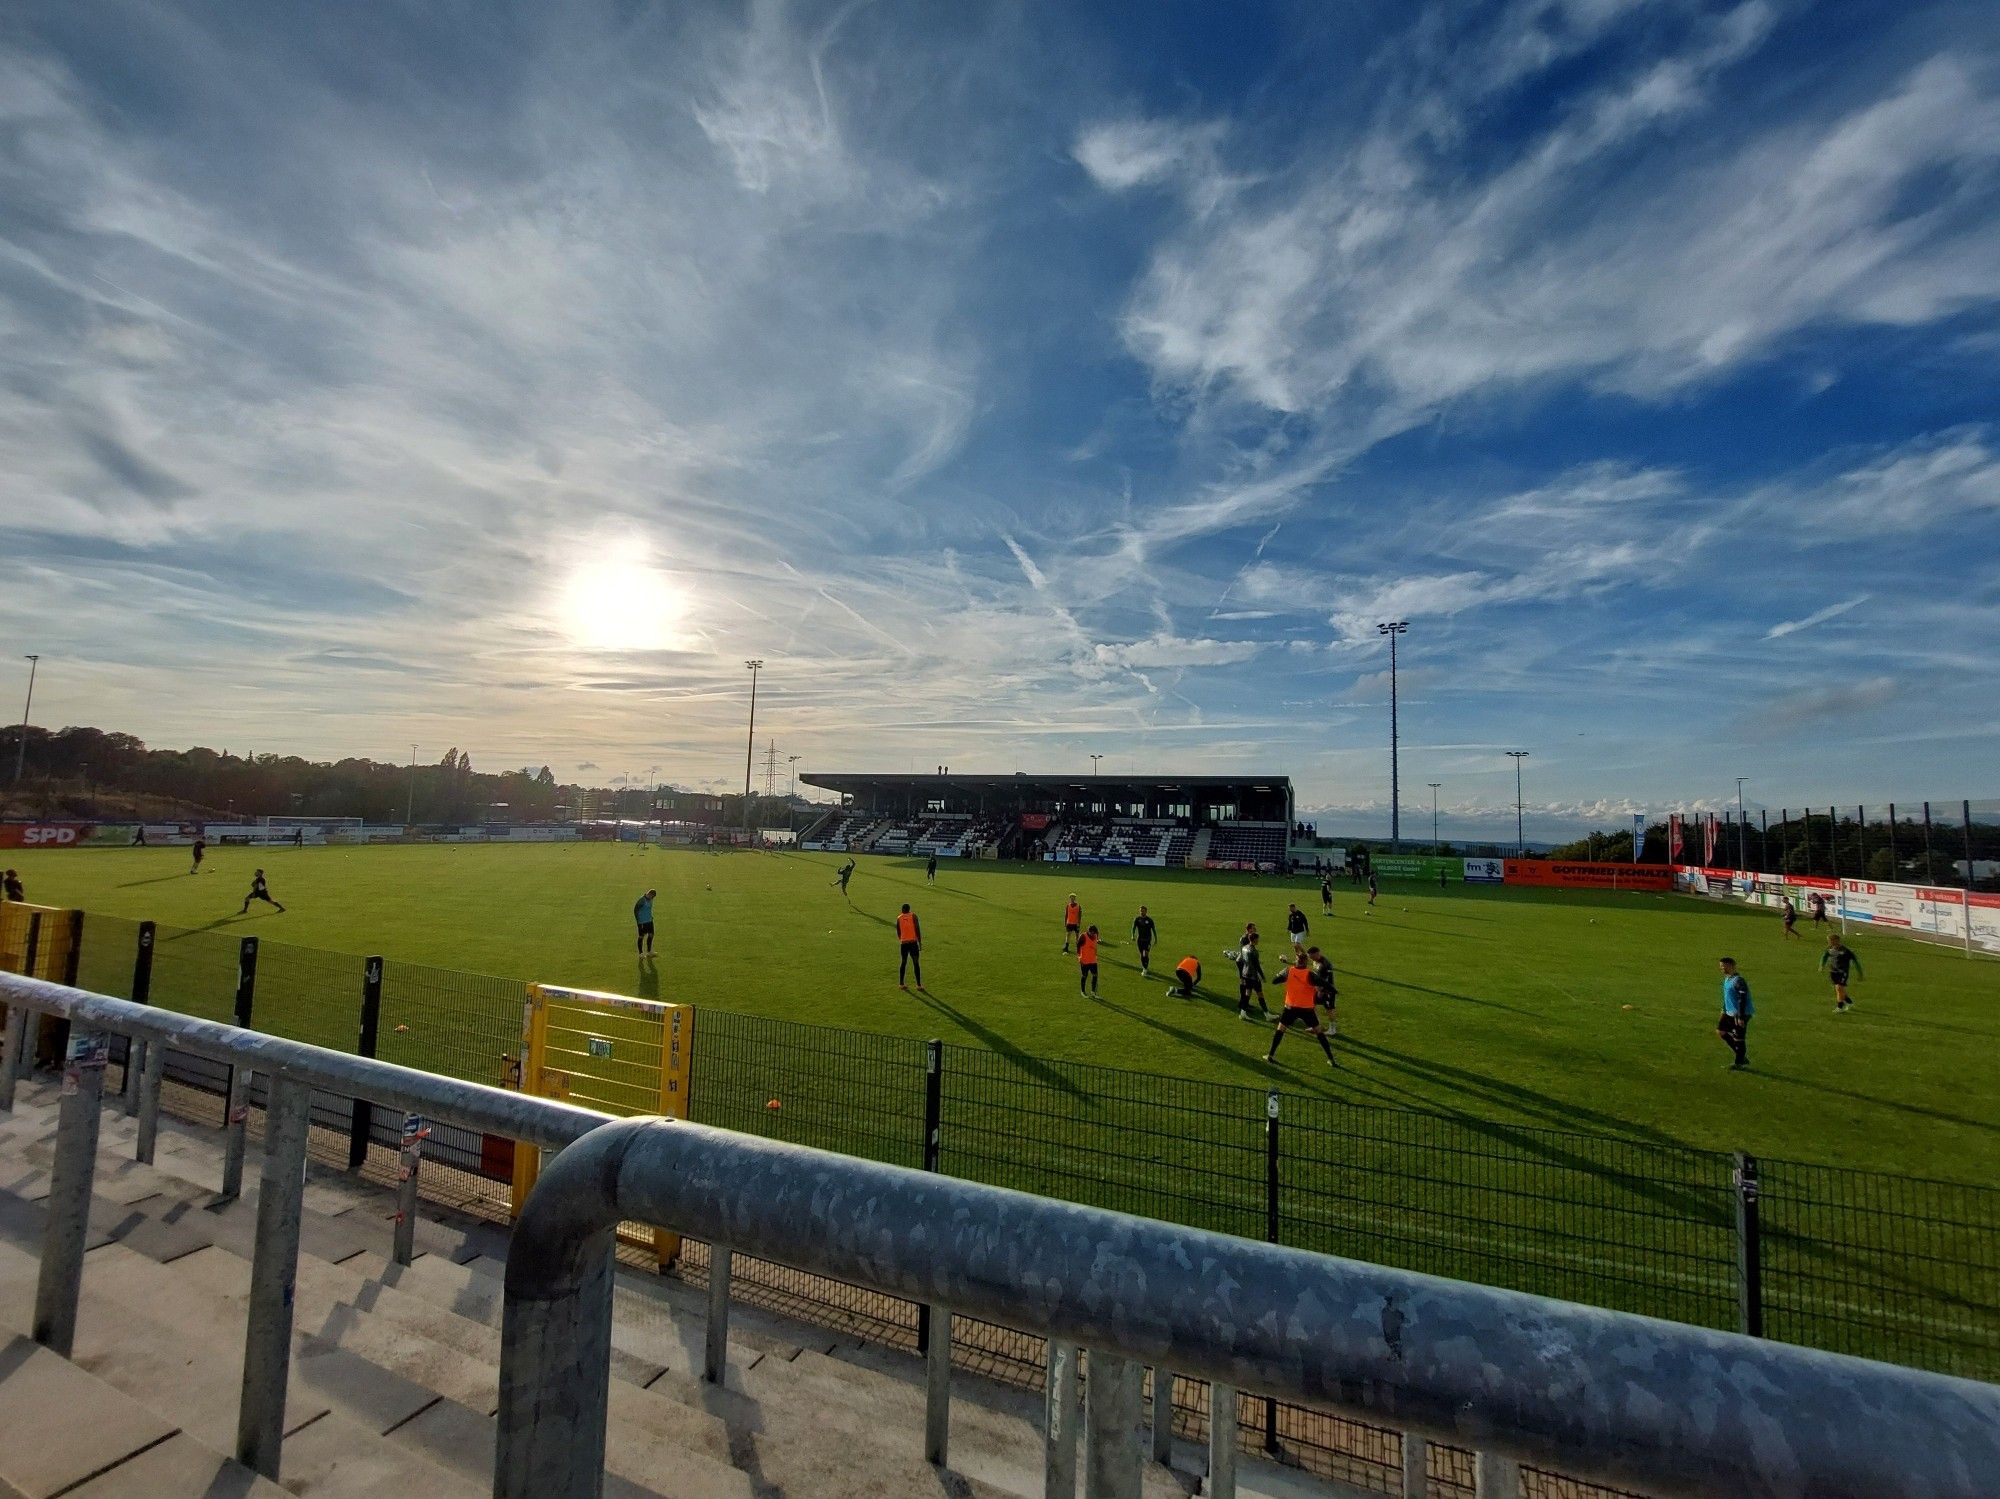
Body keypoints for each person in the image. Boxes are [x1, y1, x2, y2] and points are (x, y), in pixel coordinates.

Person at [1266, 947, 1336, 1067]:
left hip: (1290, 1008)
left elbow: (1274, 981)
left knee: (1280, 1030)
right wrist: (1332, 991)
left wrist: (1281, 974)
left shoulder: (1288, 971)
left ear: (1296, 960)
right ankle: (1331, 1059)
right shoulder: (1310, 974)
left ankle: (1270, 1055)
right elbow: (1326, 985)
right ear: (1306, 962)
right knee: (1320, 1033)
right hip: (1307, 1010)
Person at [1717, 957, 1752, 1069]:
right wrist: (1723, 1009)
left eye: (1723, 966)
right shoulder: (1727, 979)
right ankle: (1741, 1056)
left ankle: (1739, 1063)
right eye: (1720, 966)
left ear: (1731, 965)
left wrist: (1741, 1016)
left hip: (1740, 1014)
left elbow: (1742, 998)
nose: (1721, 968)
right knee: (1721, 1032)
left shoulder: (1738, 981)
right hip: (1729, 1012)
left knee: (1739, 1039)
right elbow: (1727, 997)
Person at [1821, 934, 1864, 1011]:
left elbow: (1855, 961)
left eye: (1831, 941)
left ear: (1837, 940)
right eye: (1829, 941)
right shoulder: (1829, 948)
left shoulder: (1845, 951)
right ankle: (1849, 1002)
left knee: (1839, 988)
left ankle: (1839, 1007)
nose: (1829, 942)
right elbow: (1824, 956)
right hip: (1833, 972)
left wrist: (1860, 973)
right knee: (1840, 989)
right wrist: (1822, 965)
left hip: (1843, 972)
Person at [1234, 932, 1269, 1021]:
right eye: (1257, 939)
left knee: (1247, 993)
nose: (1258, 941)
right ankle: (1267, 1015)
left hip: (1245, 973)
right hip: (1253, 976)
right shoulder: (1254, 951)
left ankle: (1242, 1013)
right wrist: (1262, 976)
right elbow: (1257, 966)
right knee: (1260, 994)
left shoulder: (1244, 948)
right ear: (1254, 939)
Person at [896, 903, 923, 989]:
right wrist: (920, 942)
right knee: (916, 963)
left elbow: (898, 931)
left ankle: (901, 984)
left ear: (902, 910)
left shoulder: (899, 918)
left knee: (903, 962)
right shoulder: (913, 916)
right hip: (913, 943)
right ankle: (918, 985)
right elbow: (917, 928)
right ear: (909, 909)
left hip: (904, 943)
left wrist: (902, 939)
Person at [1130, 906, 1157, 975]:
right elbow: (1133, 928)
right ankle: (1144, 967)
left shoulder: (1149, 920)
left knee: (1145, 954)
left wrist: (1156, 939)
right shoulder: (1137, 919)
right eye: (1141, 911)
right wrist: (1133, 935)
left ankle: (1145, 968)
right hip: (1140, 940)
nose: (1141, 912)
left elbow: (1153, 930)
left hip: (1147, 940)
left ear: (1146, 911)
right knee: (1142, 954)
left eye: (1143, 911)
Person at [1078, 925, 1100, 996]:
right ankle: (1083, 991)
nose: (1093, 934)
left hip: (1093, 960)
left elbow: (1095, 946)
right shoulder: (1083, 936)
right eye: (1092, 933)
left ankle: (1093, 992)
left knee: (1095, 975)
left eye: (1094, 933)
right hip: (1085, 960)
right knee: (1084, 975)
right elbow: (1078, 946)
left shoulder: (1095, 935)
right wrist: (1079, 956)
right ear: (1089, 931)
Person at [633, 889, 657, 954]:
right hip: (642, 922)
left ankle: (649, 951)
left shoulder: (650, 899)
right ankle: (640, 953)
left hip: (649, 920)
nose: (652, 898)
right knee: (641, 936)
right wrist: (638, 921)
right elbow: (635, 910)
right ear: (649, 894)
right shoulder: (642, 900)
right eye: (652, 896)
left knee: (651, 935)